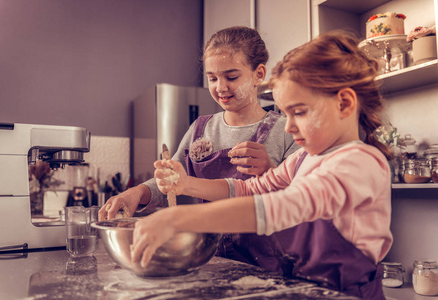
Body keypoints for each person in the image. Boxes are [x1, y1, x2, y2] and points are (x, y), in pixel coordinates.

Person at [131, 31, 393, 300]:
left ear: (345, 103)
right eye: (287, 113)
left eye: (299, 112)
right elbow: (249, 189)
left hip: (349, 293)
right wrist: (186, 184)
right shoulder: (304, 157)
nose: (289, 126)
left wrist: (177, 219)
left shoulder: (358, 163)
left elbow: (284, 206)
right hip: (307, 287)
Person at [99, 26, 299, 265]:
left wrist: (268, 169)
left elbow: (302, 199)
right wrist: (136, 192)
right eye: (212, 78)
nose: (220, 87)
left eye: (231, 77)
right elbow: (172, 180)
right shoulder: (200, 128)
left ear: (259, 74)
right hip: (213, 259)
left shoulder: (288, 130)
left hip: (270, 265)